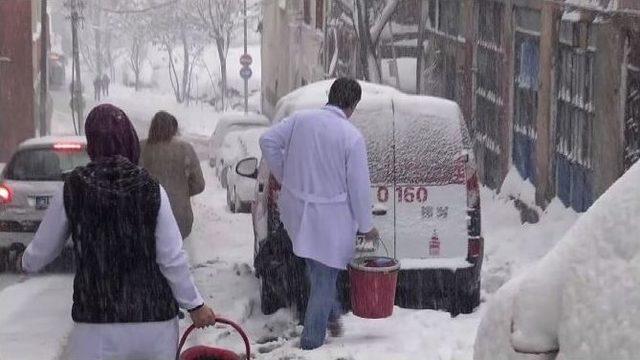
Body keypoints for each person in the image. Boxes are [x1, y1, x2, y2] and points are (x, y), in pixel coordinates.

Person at [16, 104, 216, 360]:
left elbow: (42, 251)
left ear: (92, 143)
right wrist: (195, 305)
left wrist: (24, 261)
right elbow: (171, 257)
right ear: (129, 139)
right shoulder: (150, 188)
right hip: (153, 324)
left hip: (95, 325)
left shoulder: (74, 187)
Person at [260, 78, 379, 350]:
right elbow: (358, 188)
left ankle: (332, 314)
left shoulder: (301, 120)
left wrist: (285, 176)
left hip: (297, 210)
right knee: (324, 276)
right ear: (353, 105)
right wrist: (366, 225)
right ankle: (311, 342)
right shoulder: (351, 137)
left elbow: (267, 140)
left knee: (316, 268)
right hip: (331, 217)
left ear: (330, 95)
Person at [141, 111, 205, 239]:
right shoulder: (185, 149)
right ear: (173, 129)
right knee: (175, 254)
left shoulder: (140, 148)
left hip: (147, 216)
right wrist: (181, 191)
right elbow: (199, 184)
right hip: (179, 218)